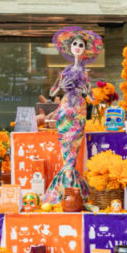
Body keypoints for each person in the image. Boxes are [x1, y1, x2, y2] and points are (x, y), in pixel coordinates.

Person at [42, 26, 102, 206]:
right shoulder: (65, 71)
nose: (77, 47)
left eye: (81, 45)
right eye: (75, 44)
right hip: (65, 109)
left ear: (85, 50)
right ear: (70, 47)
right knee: (65, 147)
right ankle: (67, 189)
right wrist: (61, 86)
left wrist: (86, 91)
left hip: (78, 111)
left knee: (73, 149)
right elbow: (52, 92)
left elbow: (92, 98)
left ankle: (70, 189)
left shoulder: (84, 73)